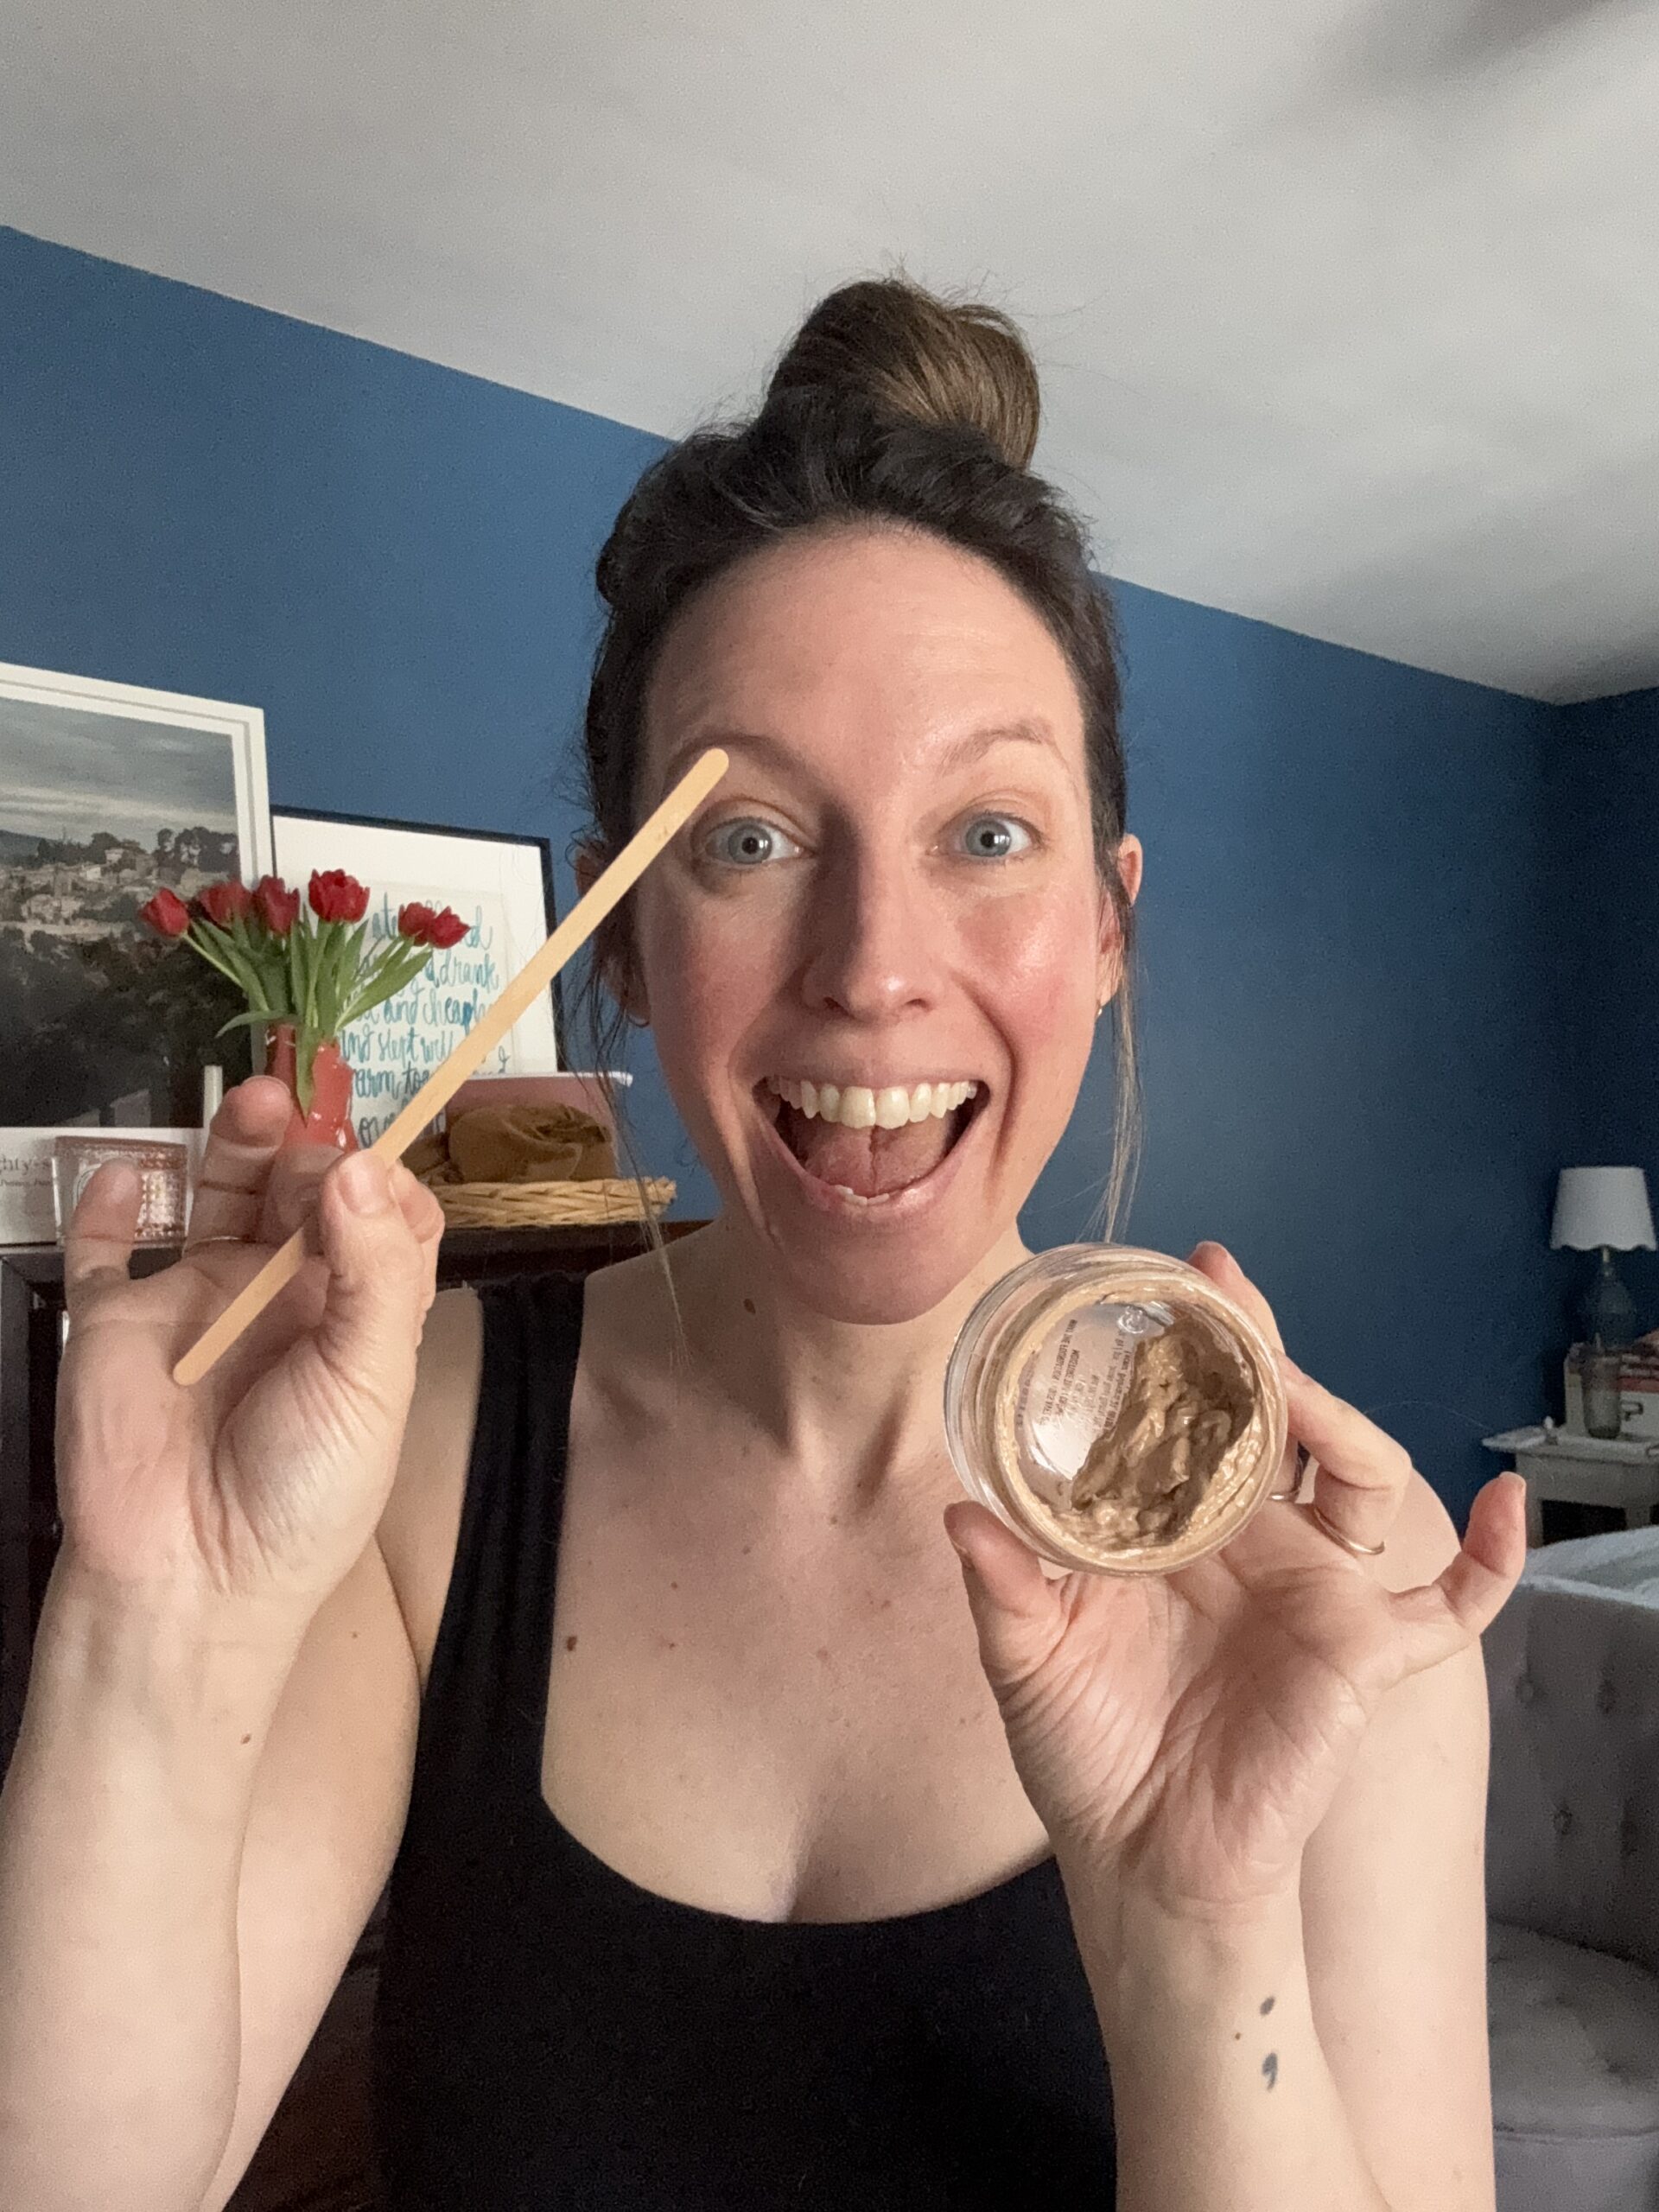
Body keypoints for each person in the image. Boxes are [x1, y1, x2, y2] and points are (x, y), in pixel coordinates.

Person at [0, 277, 1524, 2212]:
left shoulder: (1335, 1566)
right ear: (623, 942)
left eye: (988, 833)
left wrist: (1198, 1935)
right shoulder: (414, 1453)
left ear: (1114, 922)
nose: (875, 969)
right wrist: (147, 1617)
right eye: (747, 841)